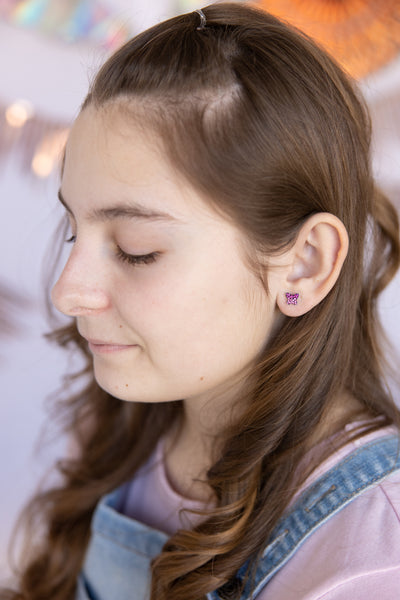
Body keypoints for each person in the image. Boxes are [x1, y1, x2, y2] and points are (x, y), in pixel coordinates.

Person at [3, 3, 400, 599]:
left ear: (306, 262)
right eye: (73, 232)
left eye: (137, 250)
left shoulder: (369, 552)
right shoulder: (122, 418)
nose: (67, 291)